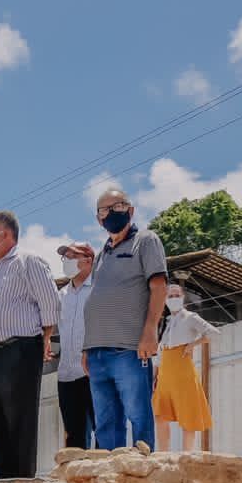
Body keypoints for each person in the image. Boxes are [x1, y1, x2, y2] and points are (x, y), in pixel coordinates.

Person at [0, 209, 61, 478]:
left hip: (18, 350)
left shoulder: (26, 260)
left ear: (6, 233)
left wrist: (45, 338)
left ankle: (23, 482)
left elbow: (49, 302)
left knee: (19, 421)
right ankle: (6, 482)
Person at [77, 187, 167, 451]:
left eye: (118, 206)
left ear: (131, 210)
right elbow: (97, 299)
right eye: (104, 210)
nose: (111, 213)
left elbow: (159, 287)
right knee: (105, 423)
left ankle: (143, 469)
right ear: (98, 219)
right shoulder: (101, 255)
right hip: (97, 353)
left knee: (138, 416)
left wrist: (150, 330)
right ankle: (110, 472)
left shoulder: (146, 241)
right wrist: (87, 348)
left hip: (129, 349)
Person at [152, 283, 215, 452]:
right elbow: (160, 352)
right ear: (165, 299)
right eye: (170, 296)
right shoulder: (165, 322)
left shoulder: (190, 317)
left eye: (177, 295)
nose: (174, 299)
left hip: (183, 370)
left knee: (188, 414)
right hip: (165, 373)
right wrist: (155, 375)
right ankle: (163, 454)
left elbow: (213, 333)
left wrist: (193, 344)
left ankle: (187, 455)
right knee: (160, 415)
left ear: (183, 297)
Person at [55, 243, 95, 449]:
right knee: (73, 436)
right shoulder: (61, 295)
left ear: (88, 260)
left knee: (102, 430)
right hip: (66, 374)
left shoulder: (99, 289)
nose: (67, 261)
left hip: (93, 372)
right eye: (66, 257)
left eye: (73, 256)